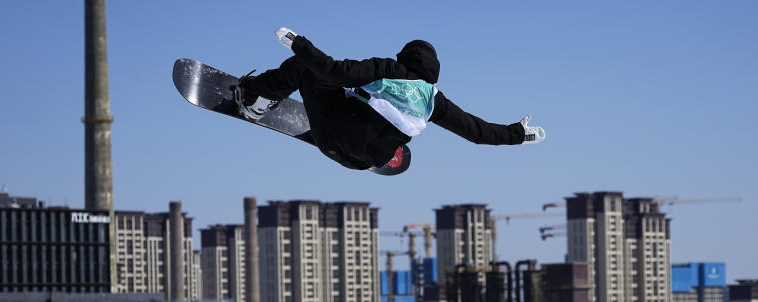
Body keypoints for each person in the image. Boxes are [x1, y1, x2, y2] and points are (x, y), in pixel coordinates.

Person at [234, 29, 546, 172]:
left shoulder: (387, 69)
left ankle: (254, 100)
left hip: (330, 132)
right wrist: (517, 134)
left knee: (308, 69)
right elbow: (477, 132)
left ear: (405, 57)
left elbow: (332, 69)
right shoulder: (433, 100)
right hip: (359, 162)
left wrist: (299, 44)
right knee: (371, 112)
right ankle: (380, 148)